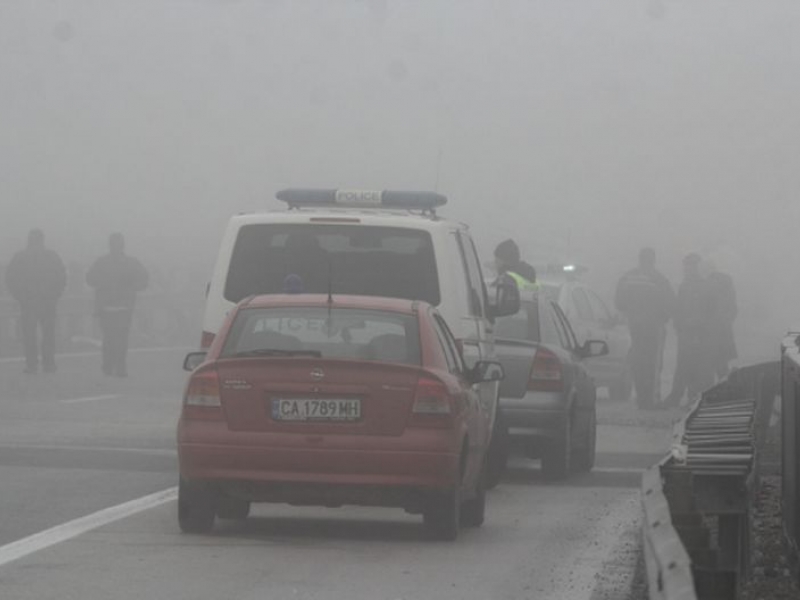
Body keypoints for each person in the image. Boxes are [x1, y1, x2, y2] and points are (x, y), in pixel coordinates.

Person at [614, 247, 675, 409]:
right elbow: (670, 303)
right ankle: (651, 400)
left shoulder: (627, 277)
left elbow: (619, 302)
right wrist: (662, 317)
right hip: (654, 328)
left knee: (638, 362)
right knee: (653, 364)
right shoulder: (658, 279)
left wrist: (632, 312)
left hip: (634, 327)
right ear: (653, 260)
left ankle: (641, 397)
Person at [5, 229, 67, 373]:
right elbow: (62, 277)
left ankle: (31, 364)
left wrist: (20, 296)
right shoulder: (52, 257)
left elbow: (10, 279)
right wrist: (55, 295)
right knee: (48, 334)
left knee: (29, 335)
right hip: (48, 302)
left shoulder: (20, 257)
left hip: (28, 303)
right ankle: (49, 363)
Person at [86, 233, 148, 377]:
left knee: (108, 337)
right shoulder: (131, 263)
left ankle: (108, 365)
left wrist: (103, 285)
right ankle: (120, 367)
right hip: (124, 308)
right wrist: (132, 288)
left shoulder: (101, 262)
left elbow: (89, 279)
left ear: (109, 245)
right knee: (121, 338)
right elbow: (144, 280)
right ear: (123, 245)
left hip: (106, 307)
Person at [664, 253, 716, 406]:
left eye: (690, 265)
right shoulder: (684, 286)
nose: (687, 269)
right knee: (683, 364)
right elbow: (678, 308)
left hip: (700, 332)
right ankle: (676, 395)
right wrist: (678, 324)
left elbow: (711, 309)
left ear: (696, 267)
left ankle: (694, 396)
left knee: (698, 364)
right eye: (686, 265)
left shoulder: (705, 286)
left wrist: (702, 325)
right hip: (685, 331)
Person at [703, 259, 738, 380]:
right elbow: (733, 309)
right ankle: (724, 392)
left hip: (710, 333)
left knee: (710, 367)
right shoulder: (725, 282)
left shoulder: (704, 284)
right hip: (722, 332)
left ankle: (710, 394)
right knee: (720, 366)